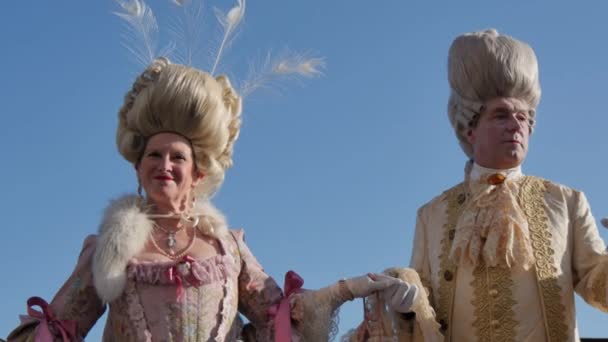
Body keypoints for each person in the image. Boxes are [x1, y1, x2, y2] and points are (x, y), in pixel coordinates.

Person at [6, 56, 419, 341]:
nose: (164, 164)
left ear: (197, 172)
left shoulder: (227, 248)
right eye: (154, 154)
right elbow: (58, 328)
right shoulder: (107, 251)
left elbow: (282, 318)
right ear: (137, 167)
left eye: (177, 157)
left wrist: (350, 288)